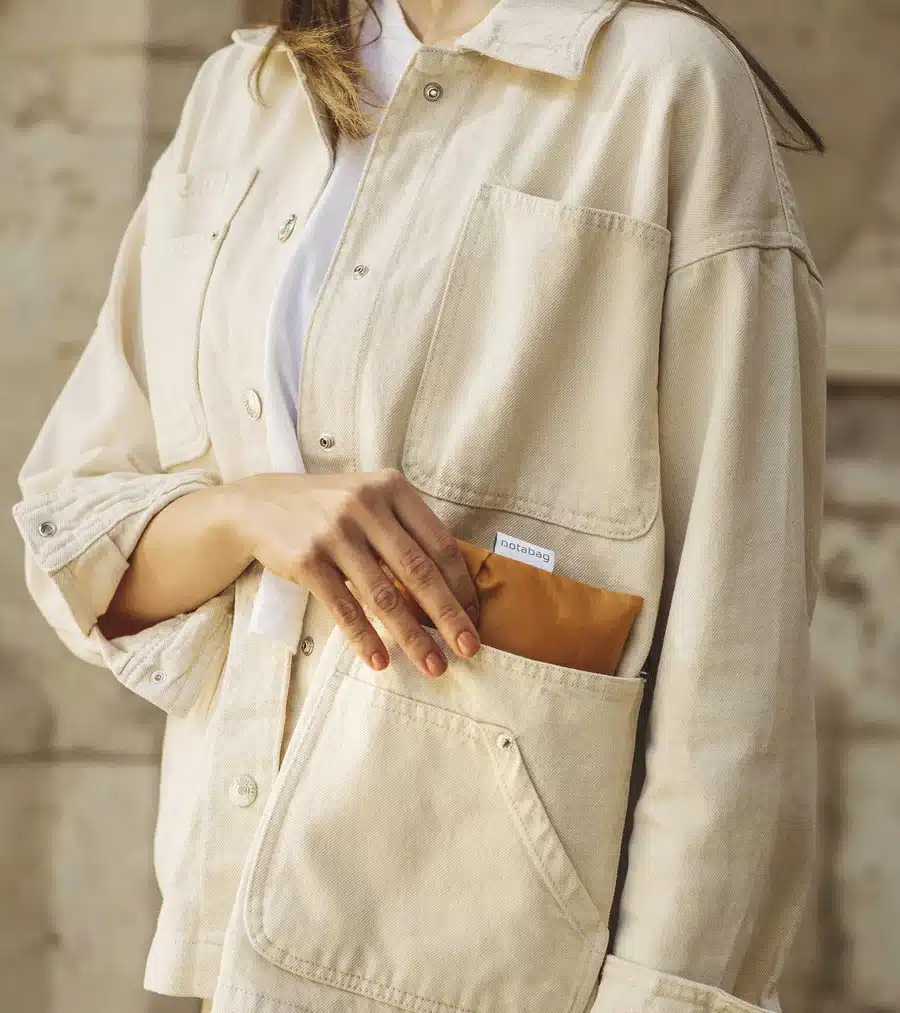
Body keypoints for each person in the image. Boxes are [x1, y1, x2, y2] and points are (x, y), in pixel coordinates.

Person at [11, 0, 827, 1010]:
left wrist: (669, 993)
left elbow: (739, 631)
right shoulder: (246, 91)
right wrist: (247, 513)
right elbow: (77, 532)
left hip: (503, 959)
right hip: (238, 921)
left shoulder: (666, 87)